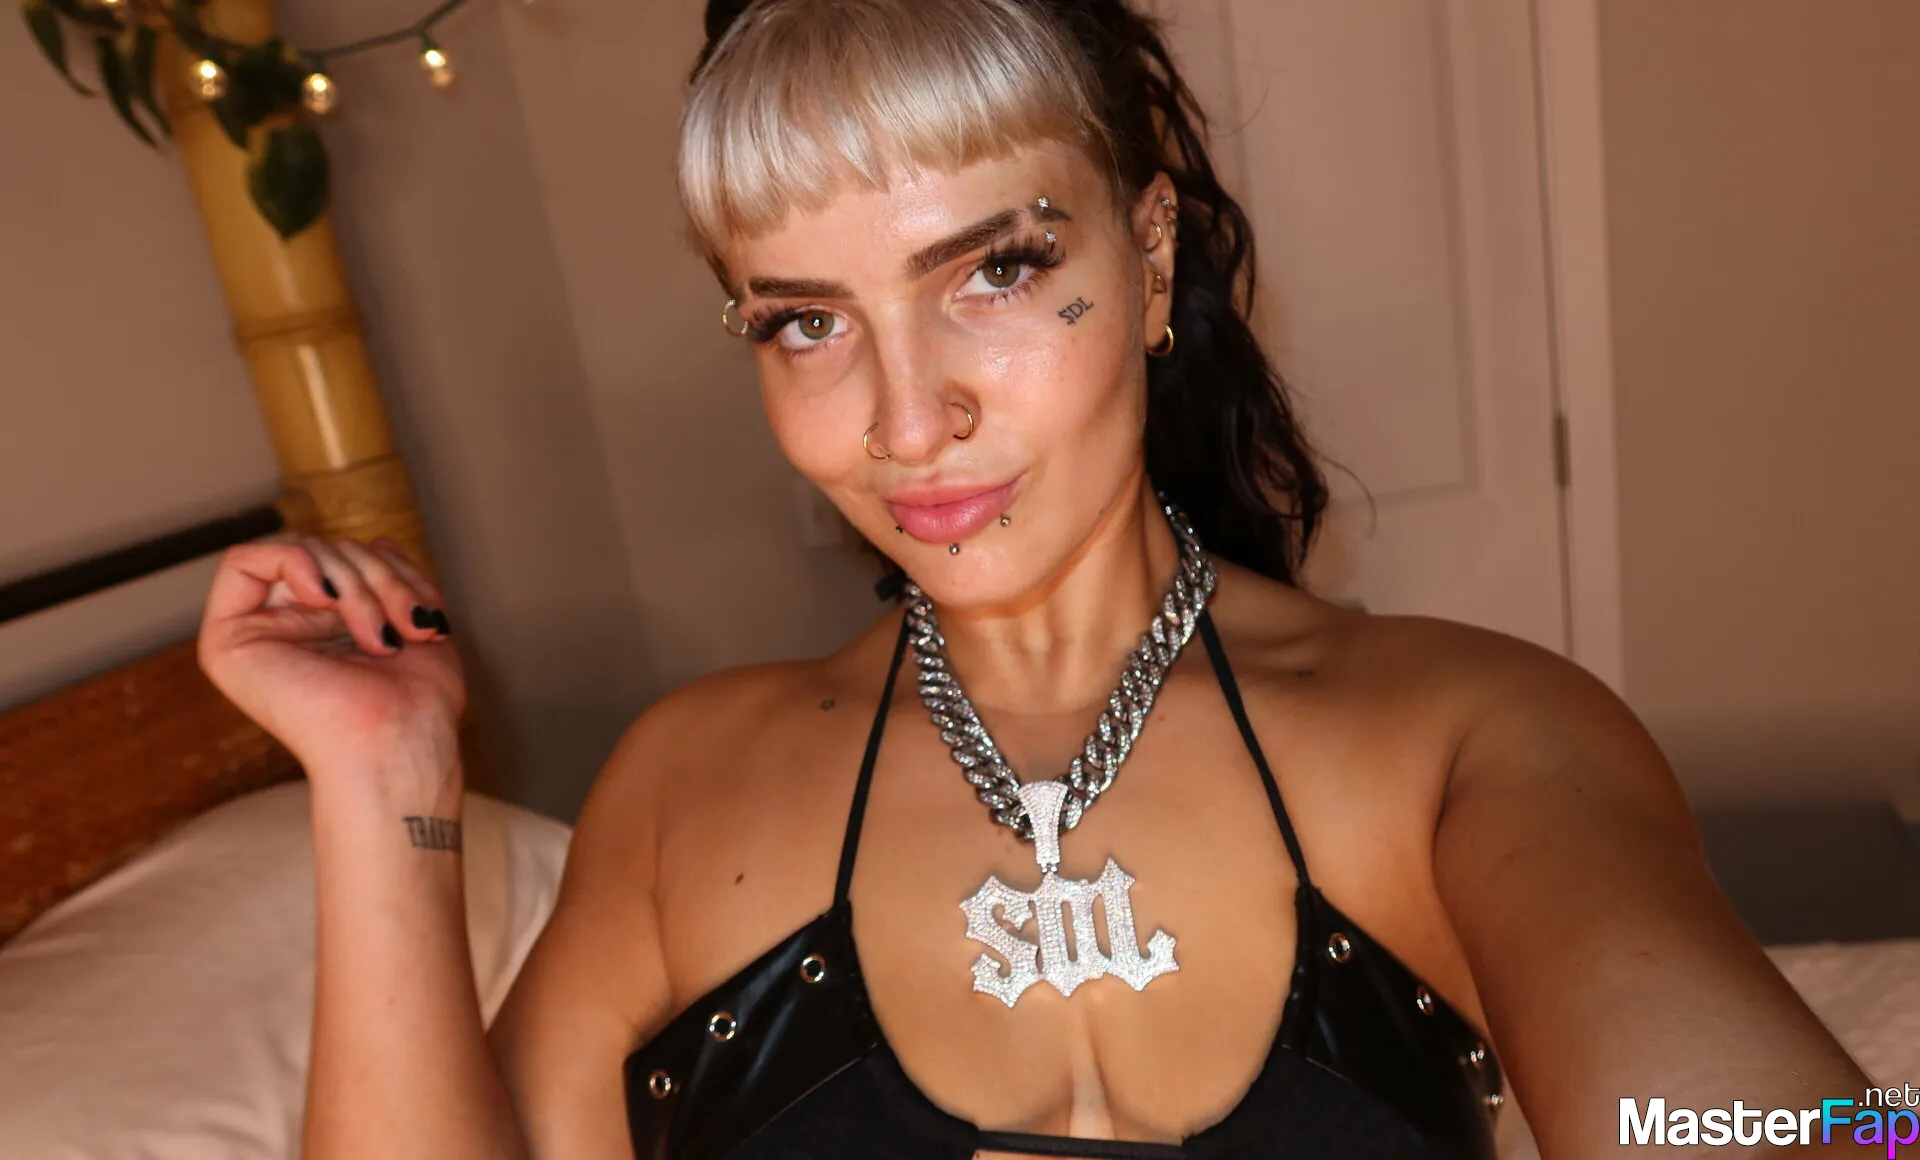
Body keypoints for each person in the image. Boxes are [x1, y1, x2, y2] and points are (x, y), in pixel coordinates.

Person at [196, 0, 1869, 1157]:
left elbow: (1814, 1130)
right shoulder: (680, 791)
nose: (907, 419)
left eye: (994, 270)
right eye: (805, 321)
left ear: (1148, 251)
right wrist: (384, 780)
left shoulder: (1466, 738)